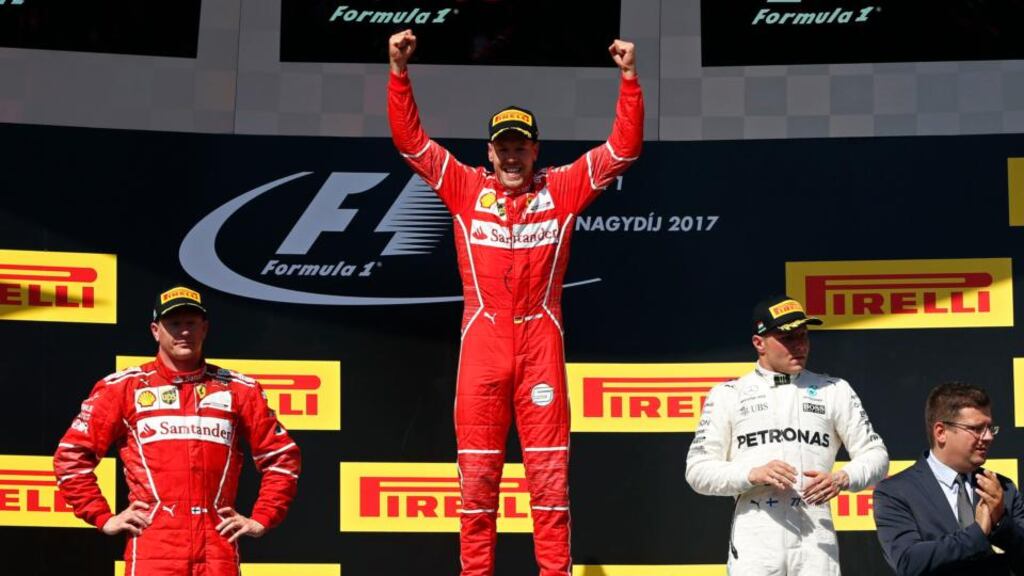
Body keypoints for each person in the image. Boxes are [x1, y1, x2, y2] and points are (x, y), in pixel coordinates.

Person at [387, 28, 643, 576]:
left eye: (520, 147)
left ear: (535, 150)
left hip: (540, 346)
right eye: (502, 147)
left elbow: (623, 150)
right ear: (489, 151)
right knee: (477, 485)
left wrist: (628, 79)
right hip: (482, 346)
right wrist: (398, 74)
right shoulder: (463, 187)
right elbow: (412, 145)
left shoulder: (563, 188)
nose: (511, 156)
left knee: (549, 484)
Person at [53, 286, 301, 575]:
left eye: (191, 323)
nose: (184, 332)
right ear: (156, 330)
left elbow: (282, 457)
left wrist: (262, 518)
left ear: (204, 329)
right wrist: (102, 516)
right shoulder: (124, 388)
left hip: (217, 548)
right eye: (174, 323)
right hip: (154, 548)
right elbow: (71, 455)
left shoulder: (238, 389)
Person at [685, 295, 889, 575]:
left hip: (817, 543)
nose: (800, 345)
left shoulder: (834, 389)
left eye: (803, 335)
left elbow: (876, 455)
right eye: (787, 337)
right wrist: (751, 474)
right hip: (755, 543)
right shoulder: (729, 394)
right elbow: (697, 471)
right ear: (759, 343)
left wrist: (843, 478)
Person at [874, 382, 1024, 575]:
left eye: (989, 428)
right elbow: (908, 562)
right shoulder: (896, 492)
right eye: (977, 428)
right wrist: (977, 534)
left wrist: (1001, 523)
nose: (988, 437)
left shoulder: (1001, 488)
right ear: (941, 432)